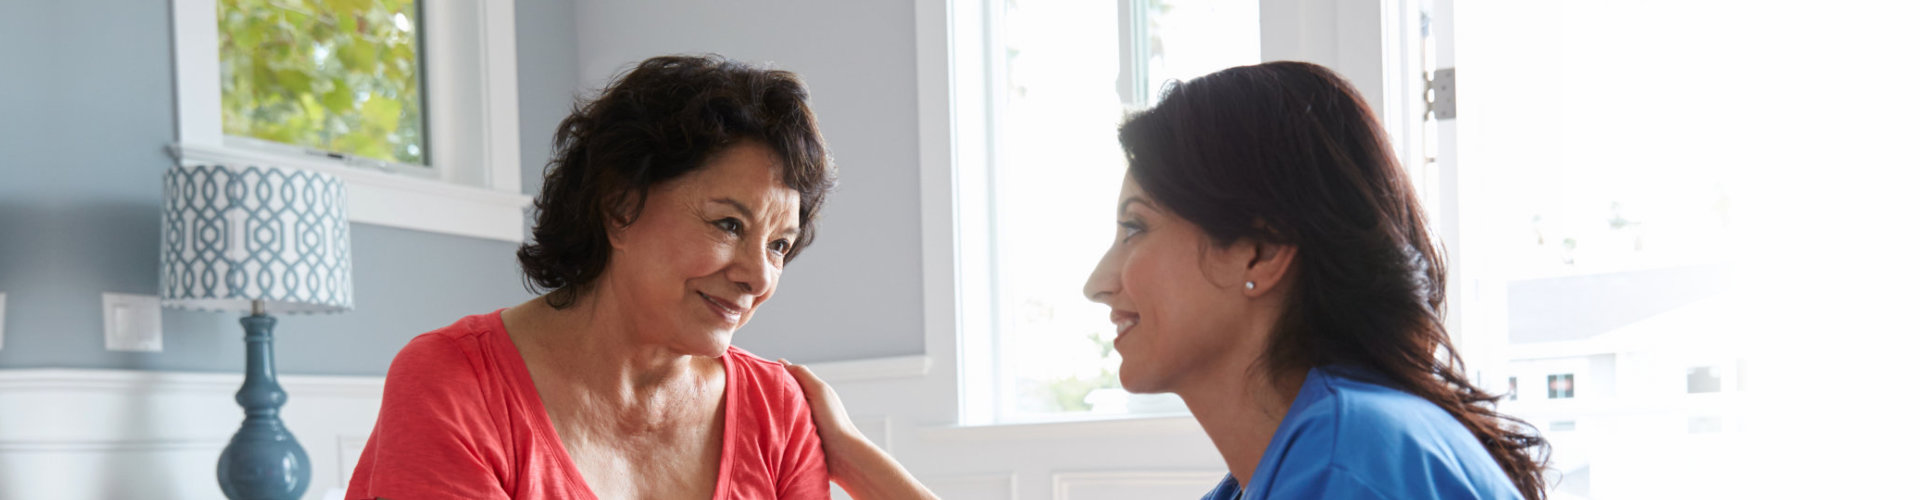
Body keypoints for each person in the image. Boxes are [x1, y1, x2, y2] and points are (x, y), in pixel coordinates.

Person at [783, 60, 1549, 500]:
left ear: (1259, 251)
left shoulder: (1353, 459)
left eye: (1135, 228)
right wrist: (856, 462)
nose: (1098, 282)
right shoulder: (1287, 466)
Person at [345, 55, 838, 500]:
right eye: (728, 225)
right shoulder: (455, 382)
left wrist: (854, 456)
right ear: (621, 208)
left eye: (779, 246)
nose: (758, 276)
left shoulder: (776, 409)